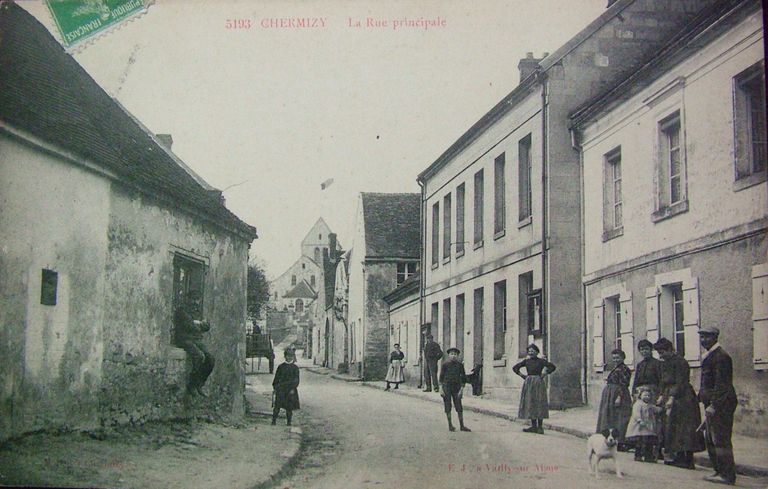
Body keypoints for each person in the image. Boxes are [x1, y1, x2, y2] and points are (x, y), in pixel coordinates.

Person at [654, 337, 705, 469]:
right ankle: (678, 456)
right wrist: (660, 395)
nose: (661, 355)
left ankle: (688, 459)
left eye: (663, 352)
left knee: (685, 428)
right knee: (672, 428)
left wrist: (671, 397)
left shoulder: (681, 362)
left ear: (671, 350)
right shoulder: (664, 363)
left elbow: (680, 381)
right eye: (659, 353)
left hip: (683, 398)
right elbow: (662, 381)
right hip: (669, 395)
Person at [698, 325, 737, 485]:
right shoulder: (710, 355)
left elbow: (722, 385)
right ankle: (718, 470)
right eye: (701, 337)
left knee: (720, 440)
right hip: (712, 403)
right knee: (711, 440)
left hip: (722, 404)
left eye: (706, 337)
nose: (703, 340)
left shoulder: (721, 357)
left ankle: (727, 475)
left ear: (715, 338)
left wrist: (714, 405)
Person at [174, 293, 215, 396]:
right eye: (193, 299)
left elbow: (207, 326)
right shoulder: (181, 310)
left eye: (197, 299)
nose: (195, 302)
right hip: (184, 339)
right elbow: (189, 325)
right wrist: (199, 324)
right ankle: (192, 384)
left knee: (210, 359)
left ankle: (200, 384)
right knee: (199, 356)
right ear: (187, 299)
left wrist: (199, 324)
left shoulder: (197, 312)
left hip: (196, 339)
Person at [513, 344, 556, 434]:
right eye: (529, 351)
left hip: (538, 382)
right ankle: (533, 426)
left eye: (533, 351)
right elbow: (515, 368)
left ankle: (540, 427)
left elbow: (552, 367)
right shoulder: (526, 361)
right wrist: (523, 376)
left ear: (537, 352)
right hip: (529, 383)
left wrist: (545, 374)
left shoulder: (541, 361)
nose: (531, 352)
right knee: (531, 402)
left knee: (539, 403)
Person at [596, 349, 632, 449]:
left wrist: (619, 397)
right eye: (614, 358)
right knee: (609, 417)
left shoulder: (624, 369)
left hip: (618, 394)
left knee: (619, 417)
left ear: (623, 358)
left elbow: (624, 385)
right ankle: (608, 439)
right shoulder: (616, 368)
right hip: (610, 395)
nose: (616, 359)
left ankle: (620, 441)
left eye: (618, 357)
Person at [626, 385, 664, 463]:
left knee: (649, 442)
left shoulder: (650, 405)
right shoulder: (638, 404)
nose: (647, 397)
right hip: (640, 427)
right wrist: (639, 420)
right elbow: (636, 414)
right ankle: (638, 455)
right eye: (645, 395)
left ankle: (648, 456)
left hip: (648, 427)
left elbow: (655, 409)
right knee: (639, 442)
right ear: (640, 396)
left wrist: (661, 409)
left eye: (648, 395)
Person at [439, 347, 471, 432]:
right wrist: (441, 389)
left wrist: (461, 390)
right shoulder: (445, 365)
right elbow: (441, 378)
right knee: (447, 405)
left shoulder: (460, 365)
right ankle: (450, 425)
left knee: (459, 406)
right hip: (446, 387)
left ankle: (462, 425)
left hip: (456, 387)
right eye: (451, 354)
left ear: (457, 356)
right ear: (449, 355)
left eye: (455, 354)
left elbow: (463, 378)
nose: (453, 356)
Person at [272, 349, 300, 426]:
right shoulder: (281, 367)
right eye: (288, 356)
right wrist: (275, 387)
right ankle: (273, 421)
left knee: (289, 407)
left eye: (291, 356)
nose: (289, 357)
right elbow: (276, 378)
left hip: (290, 390)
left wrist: (292, 388)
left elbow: (296, 380)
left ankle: (289, 422)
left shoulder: (295, 368)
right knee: (277, 406)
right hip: (281, 389)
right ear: (285, 356)